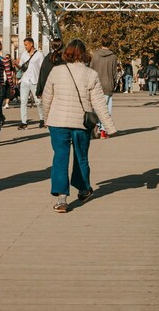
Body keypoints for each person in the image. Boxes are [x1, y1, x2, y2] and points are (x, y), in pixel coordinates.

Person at [41, 39, 118, 213]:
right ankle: (83, 189)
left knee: (60, 157)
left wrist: (47, 118)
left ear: (66, 53)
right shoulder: (90, 74)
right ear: (84, 54)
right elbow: (99, 103)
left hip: (58, 122)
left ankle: (62, 198)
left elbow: (47, 98)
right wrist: (109, 126)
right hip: (81, 123)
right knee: (81, 157)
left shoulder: (56, 71)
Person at [17, 37, 45, 130]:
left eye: (26, 45)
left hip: (35, 80)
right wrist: (16, 65)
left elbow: (42, 68)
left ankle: (42, 119)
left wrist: (42, 82)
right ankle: (23, 122)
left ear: (31, 44)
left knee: (38, 101)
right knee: (23, 102)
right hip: (25, 80)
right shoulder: (24, 54)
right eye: (24, 45)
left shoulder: (39, 54)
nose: (25, 47)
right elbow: (21, 67)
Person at [90, 37, 119, 116]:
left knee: (96, 107)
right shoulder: (113, 57)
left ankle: (97, 124)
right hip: (108, 84)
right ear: (110, 44)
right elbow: (114, 72)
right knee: (107, 108)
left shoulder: (95, 55)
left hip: (96, 84)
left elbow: (91, 69)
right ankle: (104, 127)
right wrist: (115, 84)